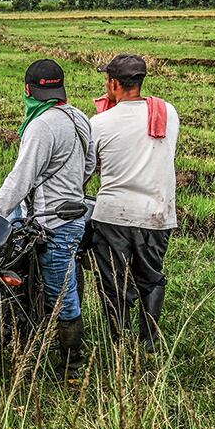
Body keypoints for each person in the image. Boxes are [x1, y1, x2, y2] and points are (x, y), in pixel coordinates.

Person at [0, 59, 96, 383]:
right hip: (63, 215)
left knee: (61, 293)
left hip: (54, 224)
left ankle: (73, 366)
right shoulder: (78, 117)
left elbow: (21, 179)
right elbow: (89, 165)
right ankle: (24, 332)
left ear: (27, 91)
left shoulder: (41, 126)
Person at [90, 54, 179, 354]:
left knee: (113, 282)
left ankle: (119, 342)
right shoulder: (166, 112)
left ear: (113, 84)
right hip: (157, 213)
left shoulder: (99, 122)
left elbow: (91, 167)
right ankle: (150, 343)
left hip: (113, 214)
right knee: (151, 277)